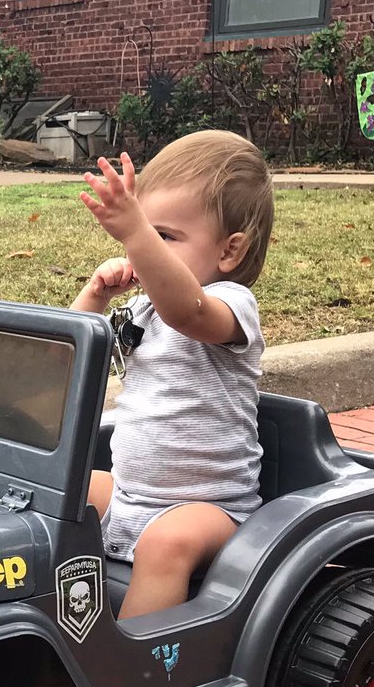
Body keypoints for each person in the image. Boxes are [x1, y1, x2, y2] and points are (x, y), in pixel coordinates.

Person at [70, 130, 275, 620]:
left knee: (165, 544)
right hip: (129, 491)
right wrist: (96, 296)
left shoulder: (230, 305)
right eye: (149, 233)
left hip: (211, 510)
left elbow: (188, 311)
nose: (146, 250)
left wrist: (134, 234)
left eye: (164, 237)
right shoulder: (143, 310)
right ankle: (54, 629)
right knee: (61, 496)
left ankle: (134, 675)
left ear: (230, 251)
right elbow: (76, 355)